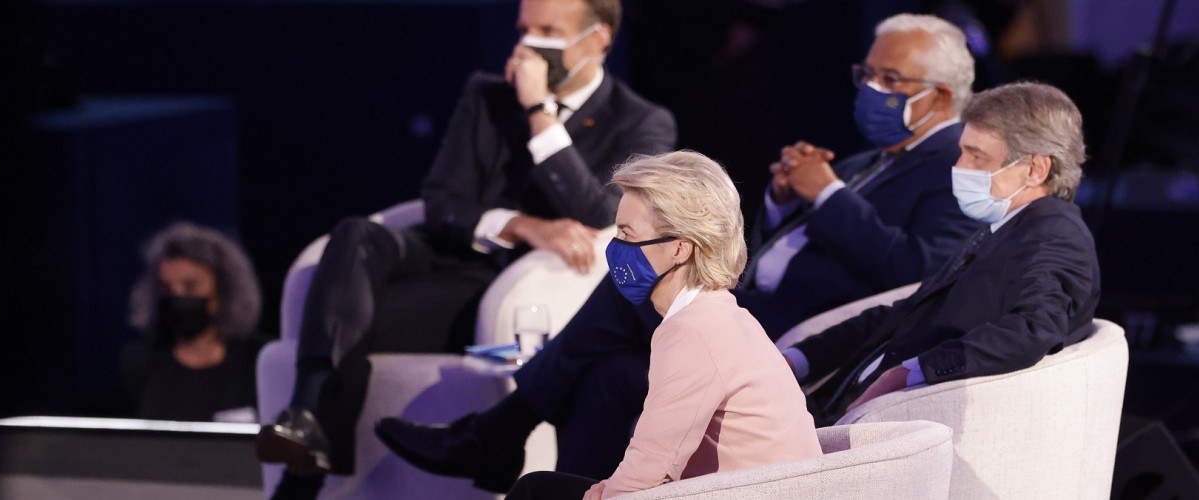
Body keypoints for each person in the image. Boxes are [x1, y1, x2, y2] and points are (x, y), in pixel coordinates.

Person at [375, 13, 982, 490]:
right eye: (865, 76)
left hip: (777, 334)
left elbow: (916, 272)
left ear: (944, 94)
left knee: (622, 286)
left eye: (890, 81)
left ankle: (497, 435)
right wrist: (779, 202)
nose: (871, 90)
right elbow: (789, 241)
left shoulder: (952, 166)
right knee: (607, 376)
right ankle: (548, 468)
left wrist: (825, 195)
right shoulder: (870, 158)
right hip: (745, 298)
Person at [254, 0, 677, 493]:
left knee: (348, 322)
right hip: (452, 257)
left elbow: (599, 213)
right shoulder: (487, 96)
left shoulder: (643, 122)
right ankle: (308, 417)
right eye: (523, 29)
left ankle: (304, 472)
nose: (527, 45)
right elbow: (440, 201)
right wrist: (521, 224)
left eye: (547, 30)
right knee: (355, 236)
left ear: (598, 39)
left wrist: (540, 114)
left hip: (510, 290)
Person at [504, 150, 822, 499]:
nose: (616, 249)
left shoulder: (693, 331)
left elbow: (652, 467)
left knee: (536, 491)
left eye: (627, 234)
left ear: (680, 249)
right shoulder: (717, 314)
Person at [787, 80, 1100, 427]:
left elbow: (1034, 328)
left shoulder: (1055, 234)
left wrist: (912, 372)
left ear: (1035, 169)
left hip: (884, 429)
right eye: (963, 150)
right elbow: (904, 313)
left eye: (977, 155)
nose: (960, 165)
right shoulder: (1006, 226)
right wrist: (799, 358)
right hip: (835, 407)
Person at [120, 221, 271, 422]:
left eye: (190, 287)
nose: (177, 297)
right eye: (166, 288)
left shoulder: (259, 361)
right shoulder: (140, 363)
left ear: (223, 291)